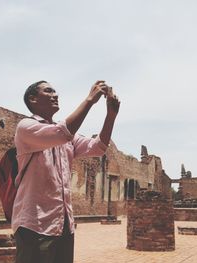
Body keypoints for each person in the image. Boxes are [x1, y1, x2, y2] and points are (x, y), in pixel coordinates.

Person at [12, 80, 120, 263]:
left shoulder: (68, 137)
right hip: (34, 225)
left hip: (63, 224)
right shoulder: (26, 127)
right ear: (33, 99)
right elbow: (62, 133)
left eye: (55, 91)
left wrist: (110, 115)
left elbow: (99, 147)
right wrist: (89, 101)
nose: (55, 95)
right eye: (48, 91)